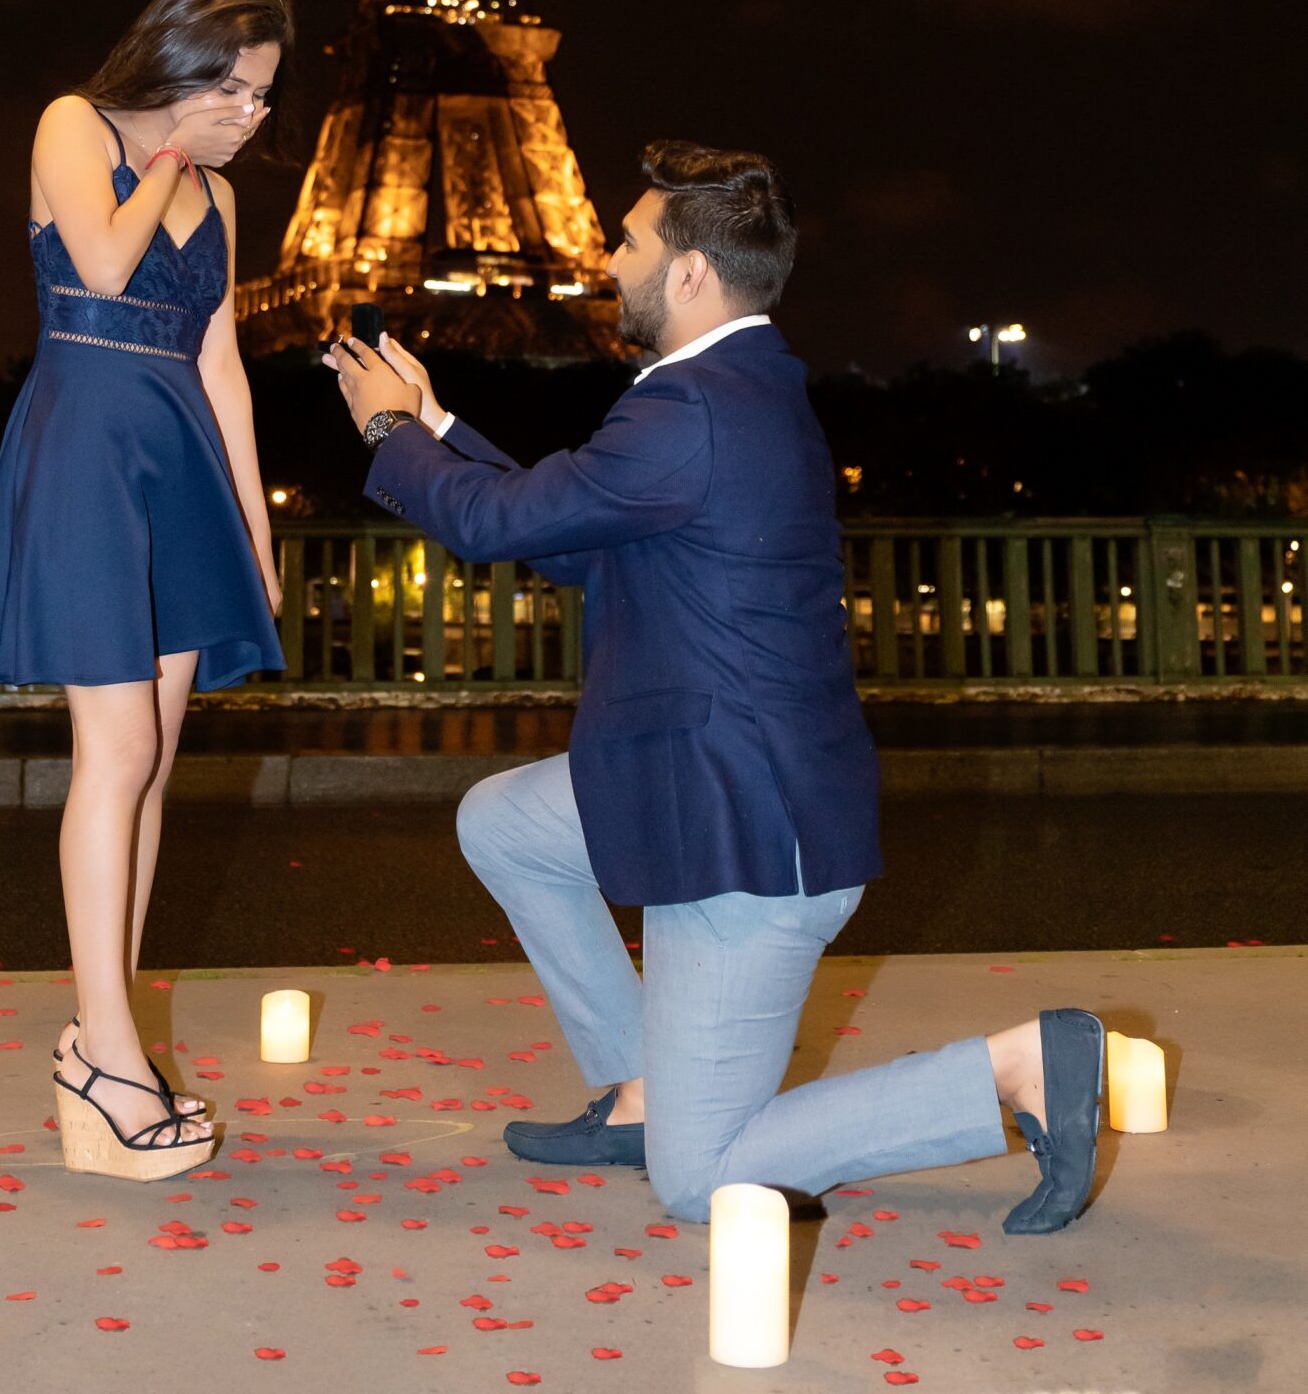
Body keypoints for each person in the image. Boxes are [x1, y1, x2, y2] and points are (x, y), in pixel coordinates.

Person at [327, 141, 1105, 1235]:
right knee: (506, 822)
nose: (606, 254)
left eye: (630, 238)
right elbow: (564, 538)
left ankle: (1014, 1070)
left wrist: (385, 427)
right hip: (714, 772)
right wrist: (440, 424)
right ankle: (643, 1089)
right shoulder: (727, 392)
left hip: (746, 833)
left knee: (702, 1181)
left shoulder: (688, 407)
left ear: (689, 270)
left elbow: (497, 524)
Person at [0, 0, 291, 1181]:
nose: (253, 112)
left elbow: (226, 367)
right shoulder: (72, 125)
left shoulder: (226, 198)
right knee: (119, 753)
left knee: (156, 767)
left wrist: (255, 528)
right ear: (183, 61)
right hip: (88, 442)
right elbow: (97, 269)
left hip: (182, 462)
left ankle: (111, 1043)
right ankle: (103, 1053)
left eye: (264, 94)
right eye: (238, 87)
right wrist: (164, 159)